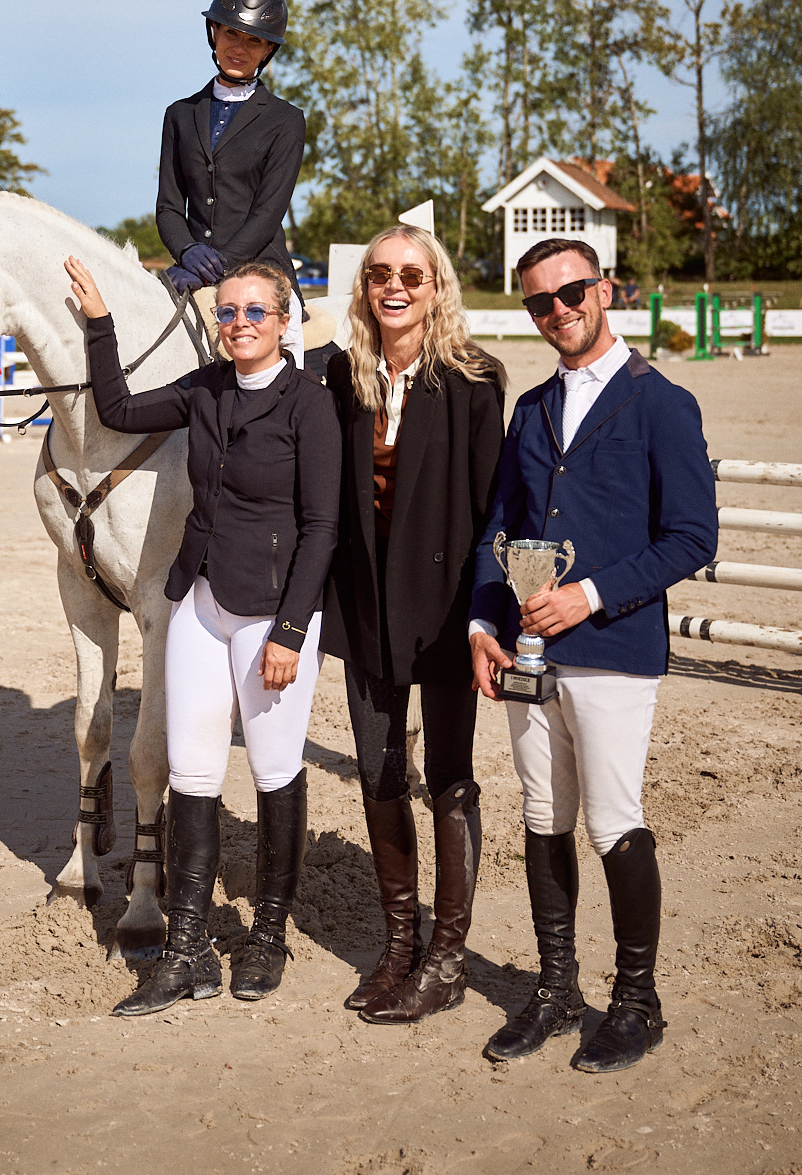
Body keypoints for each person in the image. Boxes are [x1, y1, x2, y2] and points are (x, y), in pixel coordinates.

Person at [62, 253, 341, 1013]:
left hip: (271, 617)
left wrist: (290, 628)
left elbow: (322, 527)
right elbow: (116, 410)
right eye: (226, 312)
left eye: (255, 312)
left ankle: (268, 935)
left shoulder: (308, 405)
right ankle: (187, 948)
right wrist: (99, 325)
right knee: (191, 774)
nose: (239, 324)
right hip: (200, 603)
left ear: (286, 324)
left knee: (275, 771)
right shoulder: (206, 388)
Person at [469, 236, 717, 1073]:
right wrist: (481, 624)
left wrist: (590, 595)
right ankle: (555, 988)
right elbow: (501, 526)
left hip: (612, 648)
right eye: (540, 302)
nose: (558, 312)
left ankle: (639, 1001)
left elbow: (691, 538)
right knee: (544, 820)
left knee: (613, 823)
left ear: (603, 289)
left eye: (571, 293)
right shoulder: (533, 407)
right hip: (529, 651)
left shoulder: (662, 403)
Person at [322, 226, 505, 1025]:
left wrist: (484, 618)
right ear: (364, 287)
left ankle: (448, 956)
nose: (394, 287)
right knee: (379, 773)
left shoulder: (472, 378)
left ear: (438, 288)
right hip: (366, 610)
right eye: (379, 275)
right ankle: (401, 942)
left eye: (412, 276)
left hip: (445, 612)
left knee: (450, 779)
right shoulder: (341, 374)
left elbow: (491, 506)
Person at [155, 0, 308, 366]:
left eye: (253, 40)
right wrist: (187, 250)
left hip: (261, 270)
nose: (238, 48)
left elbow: (268, 214)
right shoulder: (180, 114)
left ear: (268, 49)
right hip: (191, 268)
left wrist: (216, 267)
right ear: (214, 33)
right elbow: (170, 207)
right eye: (230, 34)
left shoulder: (286, 120)